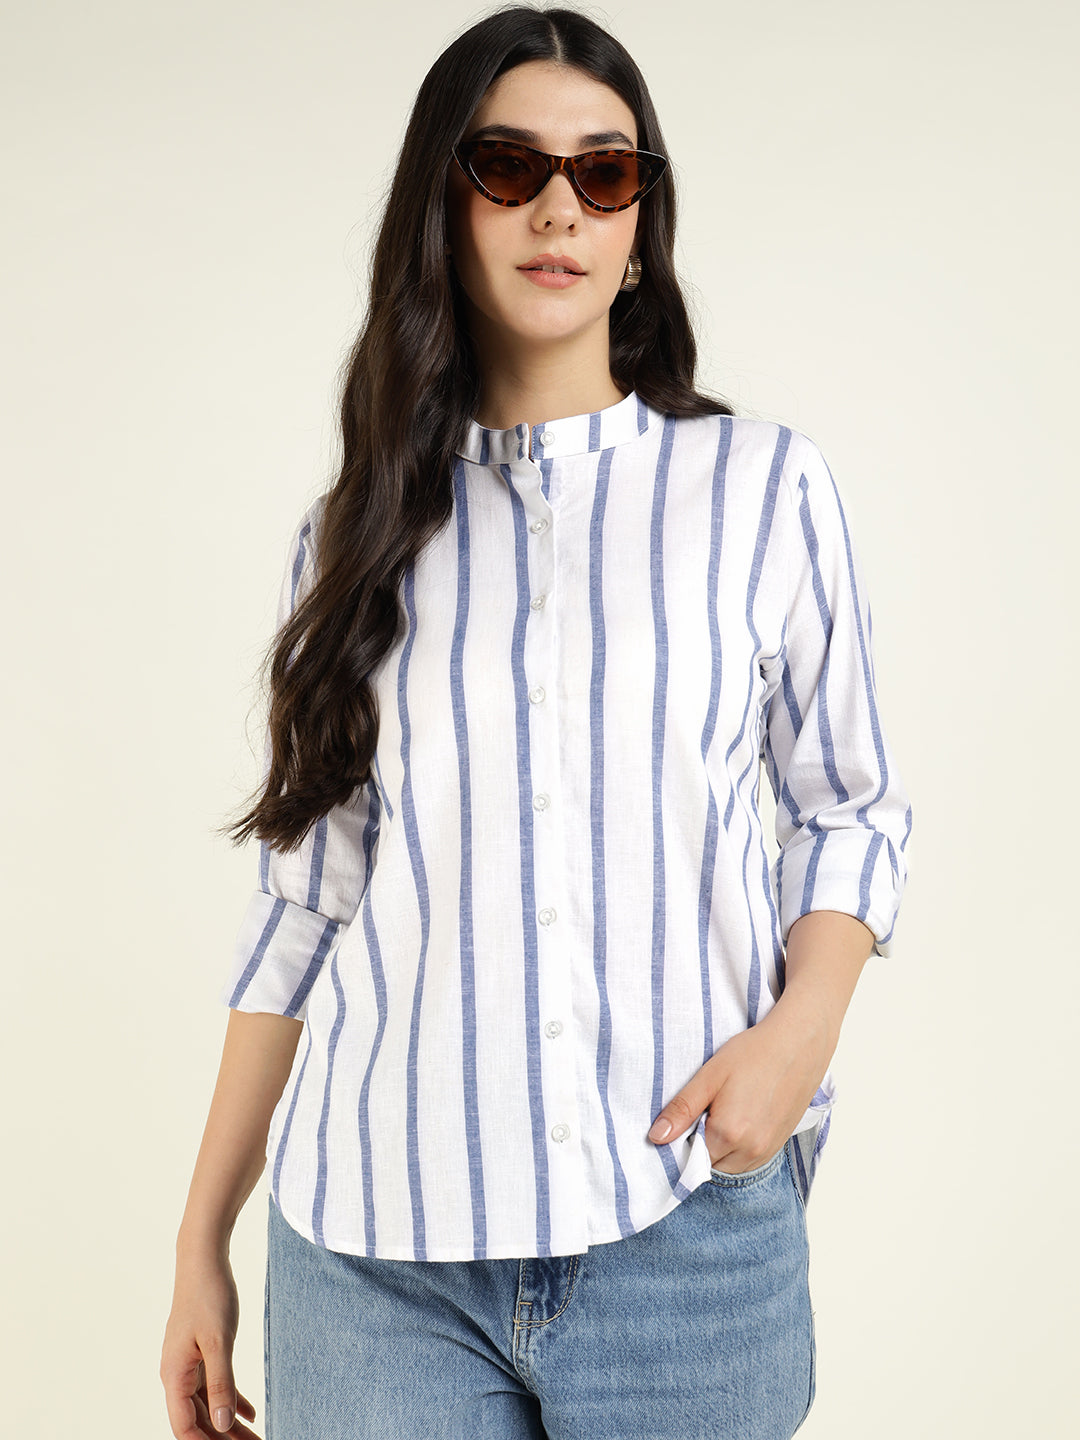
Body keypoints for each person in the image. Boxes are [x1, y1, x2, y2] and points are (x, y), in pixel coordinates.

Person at [160, 6, 913, 1438]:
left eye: (604, 172)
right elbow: (305, 905)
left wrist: (802, 1033)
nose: (559, 207)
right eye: (508, 167)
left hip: (685, 1229)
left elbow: (848, 807)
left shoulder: (762, 490)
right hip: (376, 1253)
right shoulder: (350, 538)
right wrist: (201, 1236)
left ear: (639, 223)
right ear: (443, 206)